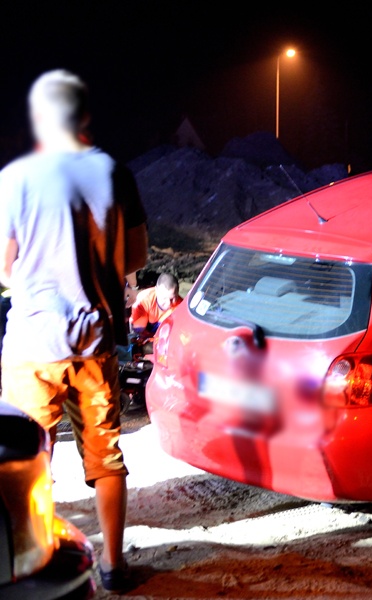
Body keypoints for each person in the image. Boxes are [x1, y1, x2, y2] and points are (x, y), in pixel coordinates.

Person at [0, 69, 148, 593]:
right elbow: (136, 256)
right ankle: (112, 566)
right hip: (93, 343)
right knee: (104, 455)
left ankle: (33, 558)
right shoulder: (114, 173)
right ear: (85, 116)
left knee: (28, 454)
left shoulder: (15, 177)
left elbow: (4, 269)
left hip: (31, 346)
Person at [129, 272, 182, 339]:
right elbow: (134, 329)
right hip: (144, 332)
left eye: (172, 298)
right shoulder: (143, 300)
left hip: (161, 336)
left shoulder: (181, 307)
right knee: (139, 324)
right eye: (164, 298)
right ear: (156, 290)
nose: (169, 303)